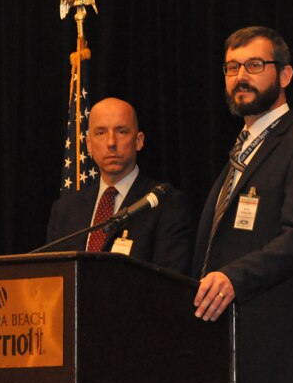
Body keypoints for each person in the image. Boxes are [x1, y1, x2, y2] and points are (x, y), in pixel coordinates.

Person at [192, 27, 293, 383]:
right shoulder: (241, 152)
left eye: (255, 65)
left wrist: (232, 278)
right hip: (227, 362)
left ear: (285, 75)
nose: (241, 77)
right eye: (231, 67)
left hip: (281, 369)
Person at [47, 97, 194, 275]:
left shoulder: (167, 204)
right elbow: (52, 279)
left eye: (121, 132)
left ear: (139, 141)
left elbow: (168, 283)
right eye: (100, 133)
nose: (111, 143)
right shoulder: (65, 210)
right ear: (89, 145)